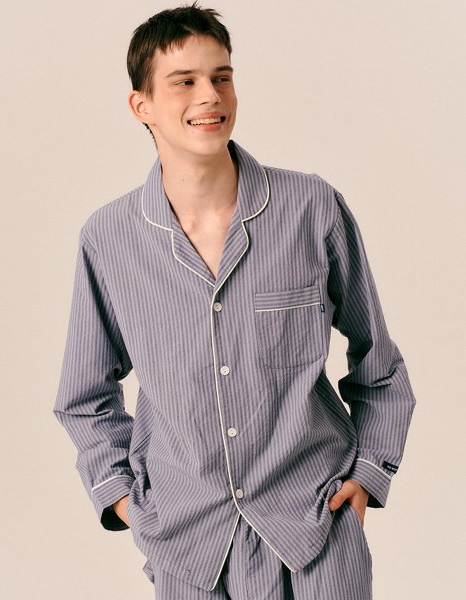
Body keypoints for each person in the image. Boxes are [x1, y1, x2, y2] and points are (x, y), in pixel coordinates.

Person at [53, 3, 416, 599]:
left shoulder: (310, 208)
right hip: (189, 548)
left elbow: (378, 358)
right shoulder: (109, 238)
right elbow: (83, 396)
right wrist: (123, 500)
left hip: (317, 531)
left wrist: (370, 473)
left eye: (221, 76)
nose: (210, 95)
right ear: (141, 105)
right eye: (184, 81)